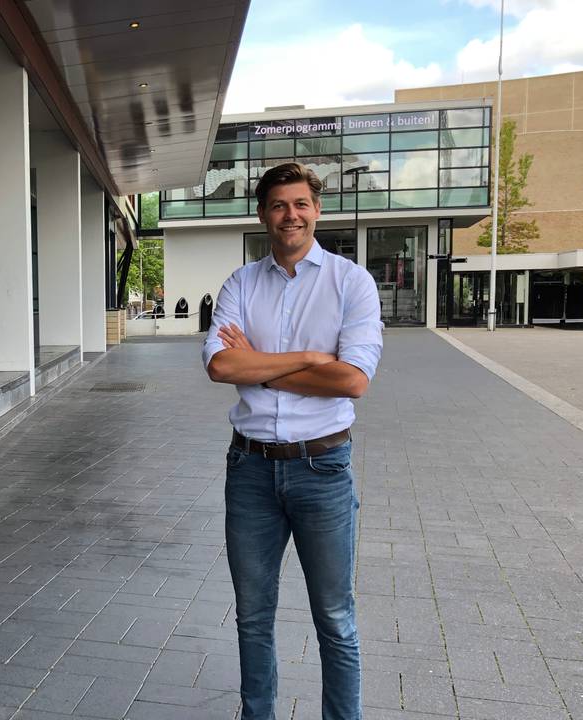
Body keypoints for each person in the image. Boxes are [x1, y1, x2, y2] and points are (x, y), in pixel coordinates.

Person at [203, 162, 383, 720]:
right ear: (263, 214)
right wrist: (309, 358)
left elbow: (353, 379)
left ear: (317, 210)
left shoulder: (351, 282)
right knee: (253, 615)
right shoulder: (240, 282)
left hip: (322, 468)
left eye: (301, 204)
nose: (291, 215)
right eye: (279, 205)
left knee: (335, 617)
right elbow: (220, 365)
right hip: (251, 469)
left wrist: (257, 365)